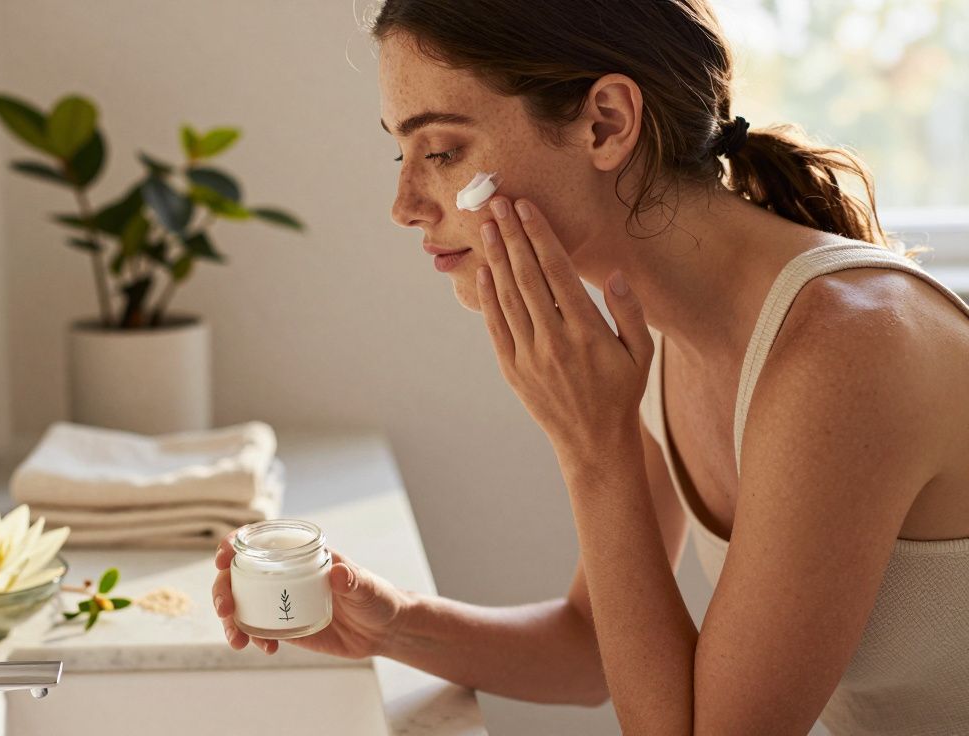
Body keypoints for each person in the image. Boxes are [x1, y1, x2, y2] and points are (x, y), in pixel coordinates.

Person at [214, 1, 969, 733]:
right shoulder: (668, 333)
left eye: (441, 151)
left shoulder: (844, 350)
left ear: (606, 122)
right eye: (401, 152)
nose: (404, 204)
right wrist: (388, 623)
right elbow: (589, 650)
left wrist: (594, 447)